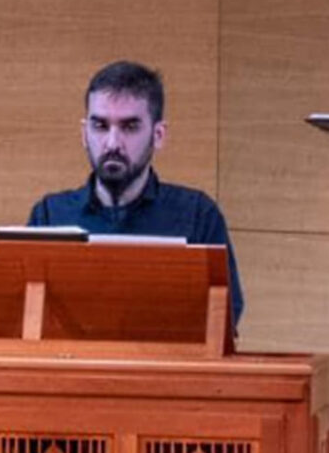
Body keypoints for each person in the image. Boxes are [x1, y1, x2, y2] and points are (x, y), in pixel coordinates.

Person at [26, 60, 245, 334]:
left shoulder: (197, 216)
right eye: (100, 126)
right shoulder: (49, 215)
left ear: (158, 135)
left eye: (129, 127)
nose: (112, 143)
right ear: (84, 133)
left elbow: (224, 319)